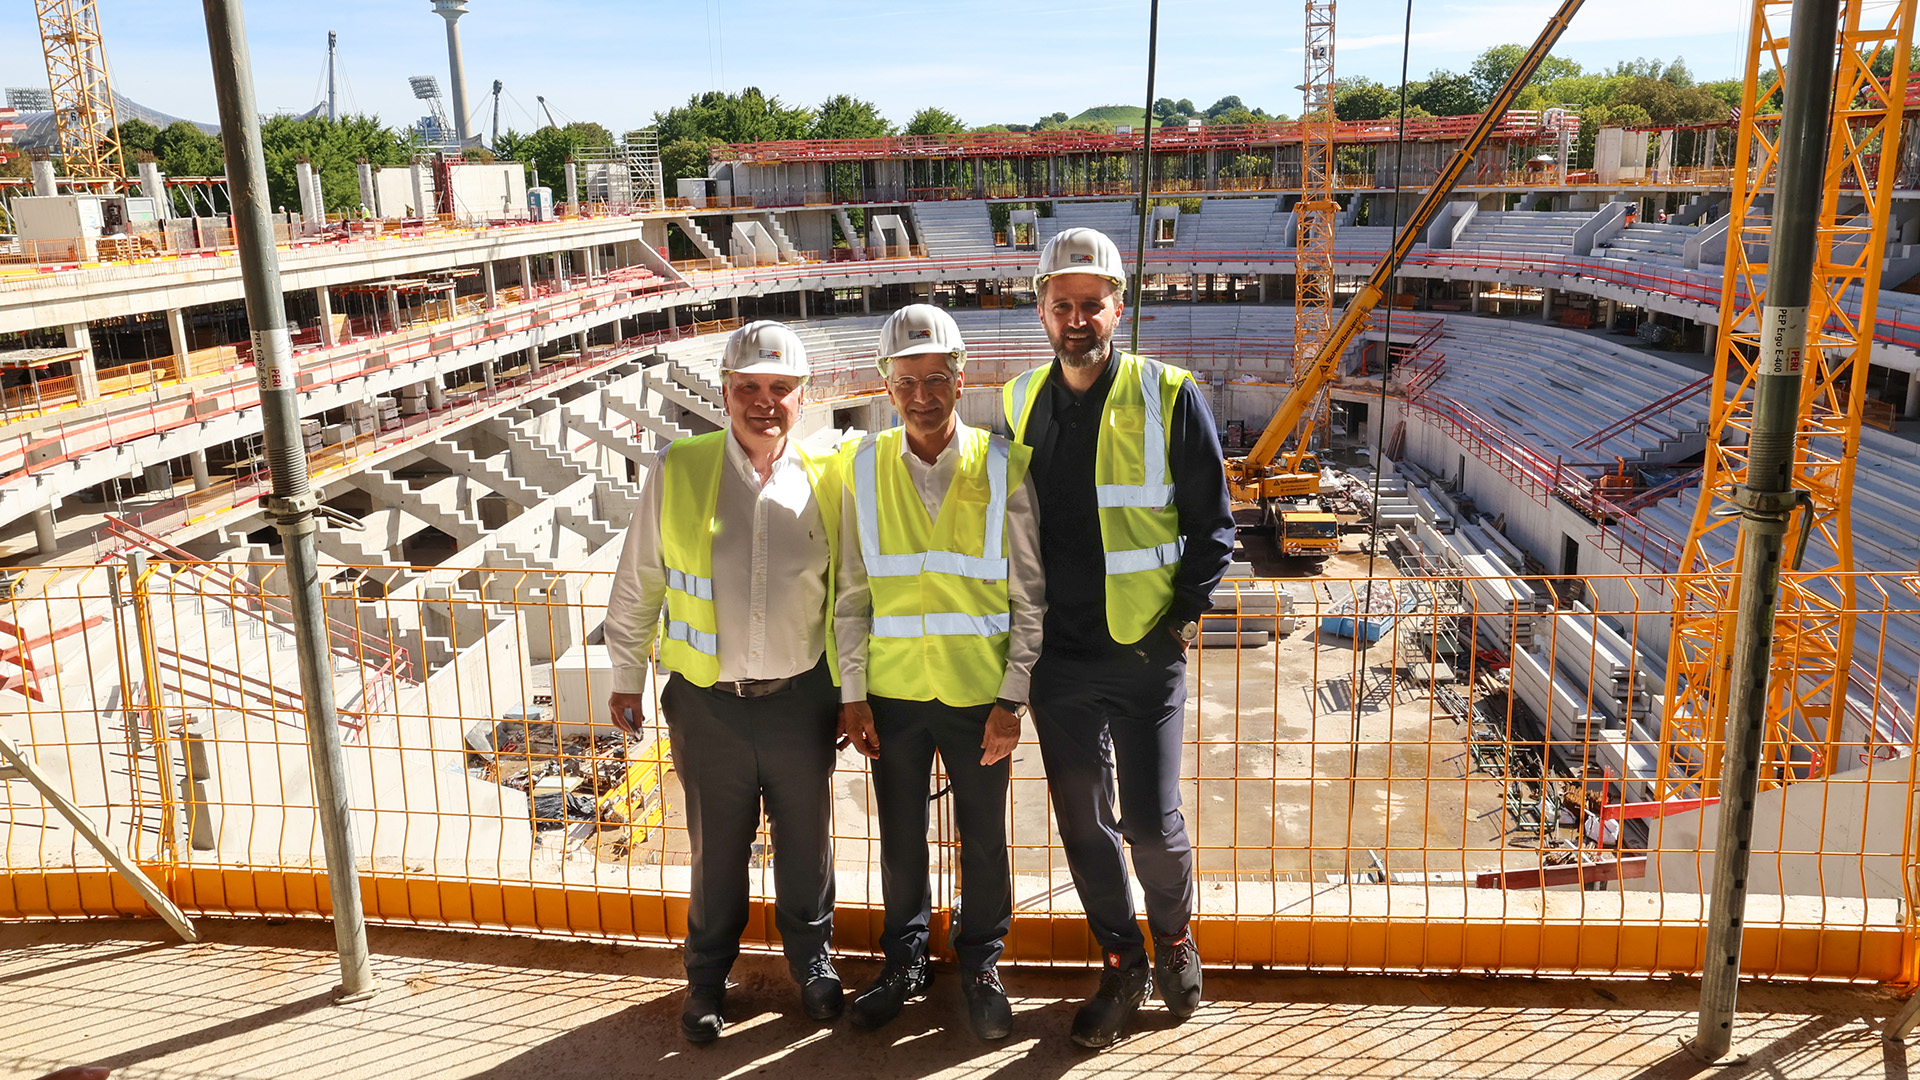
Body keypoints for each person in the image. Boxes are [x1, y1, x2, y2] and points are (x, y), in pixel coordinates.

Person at [1001, 227, 1235, 1049]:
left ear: (1118, 309)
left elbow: (1213, 527)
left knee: (1149, 820)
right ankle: (1120, 959)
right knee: (1082, 824)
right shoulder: (1018, 399)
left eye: (1091, 305)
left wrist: (1174, 623)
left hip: (1142, 656)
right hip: (1056, 663)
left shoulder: (1170, 394)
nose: (1077, 319)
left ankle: (1173, 937)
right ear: (1041, 312)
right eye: (1061, 305)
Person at [604, 320, 845, 1045]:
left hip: (802, 702)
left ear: (803, 397)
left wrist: (851, 690)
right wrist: (624, 674)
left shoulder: (827, 478)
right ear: (724, 392)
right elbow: (640, 578)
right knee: (717, 852)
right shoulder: (680, 467)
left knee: (808, 847)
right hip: (708, 706)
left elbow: (848, 594)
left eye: (779, 389)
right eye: (748, 388)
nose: (763, 402)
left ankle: (814, 965)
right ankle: (707, 979)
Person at [835, 304, 1045, 1043]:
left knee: (983, 837)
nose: (921, 396)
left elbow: (1029, 597)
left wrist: (1011, 700)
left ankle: (982, 965)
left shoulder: (1003, 465)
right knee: (901, 837)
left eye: (935, 379)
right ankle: (906, 963)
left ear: (961, 381)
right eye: (906, 382)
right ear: (886, 388)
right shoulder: (860, 467)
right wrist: (853, 693)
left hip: (977, 697)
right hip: (892, 697)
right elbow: (852, 593)